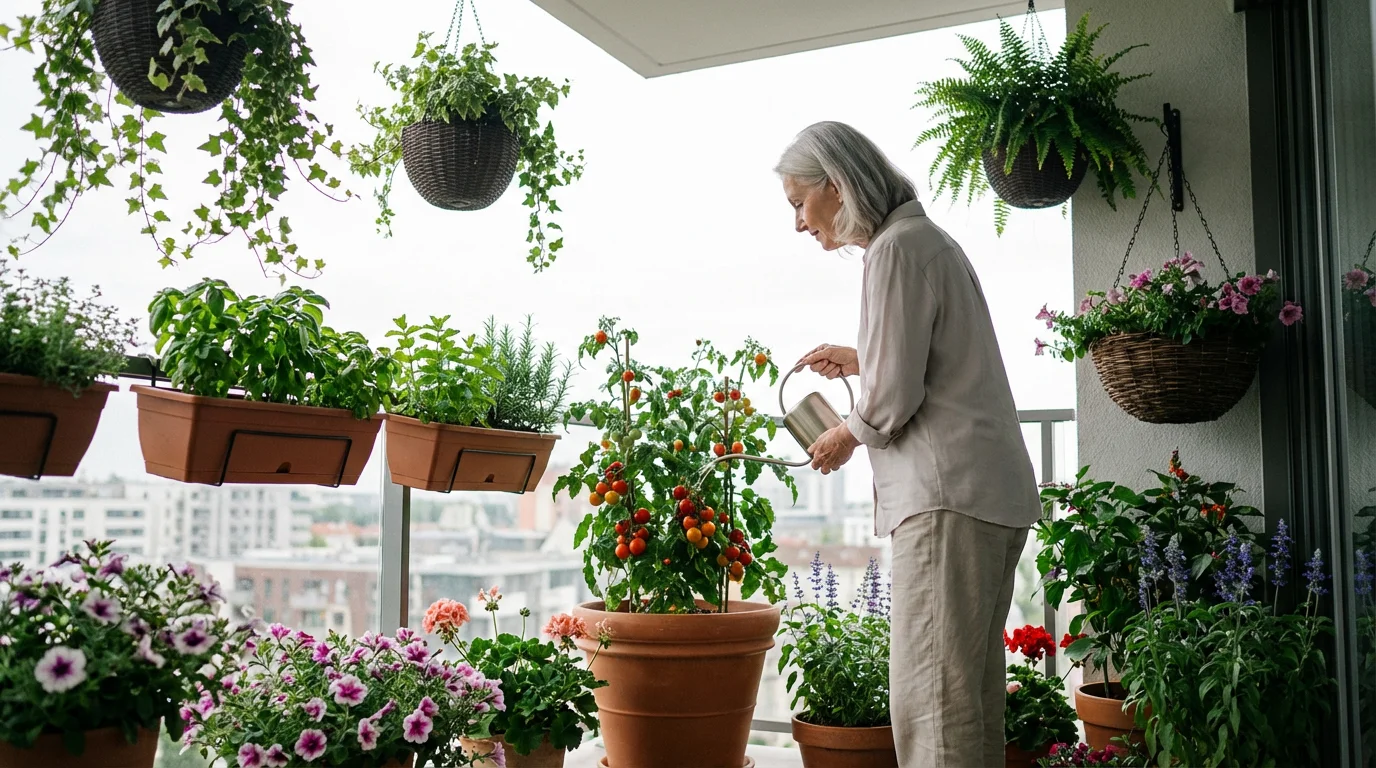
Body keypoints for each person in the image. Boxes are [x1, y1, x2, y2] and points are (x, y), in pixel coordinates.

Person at [774, 121, 1041, 768]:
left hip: (946, 501)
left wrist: (843, 437)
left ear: (836, 186)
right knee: (970, 703)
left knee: (931, 707)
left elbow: (894, 398)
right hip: (987, 496)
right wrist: (865, 358)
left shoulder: (894, 250)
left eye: (798, 204)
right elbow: (935, 364)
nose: (799, 224)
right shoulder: (928, 243)